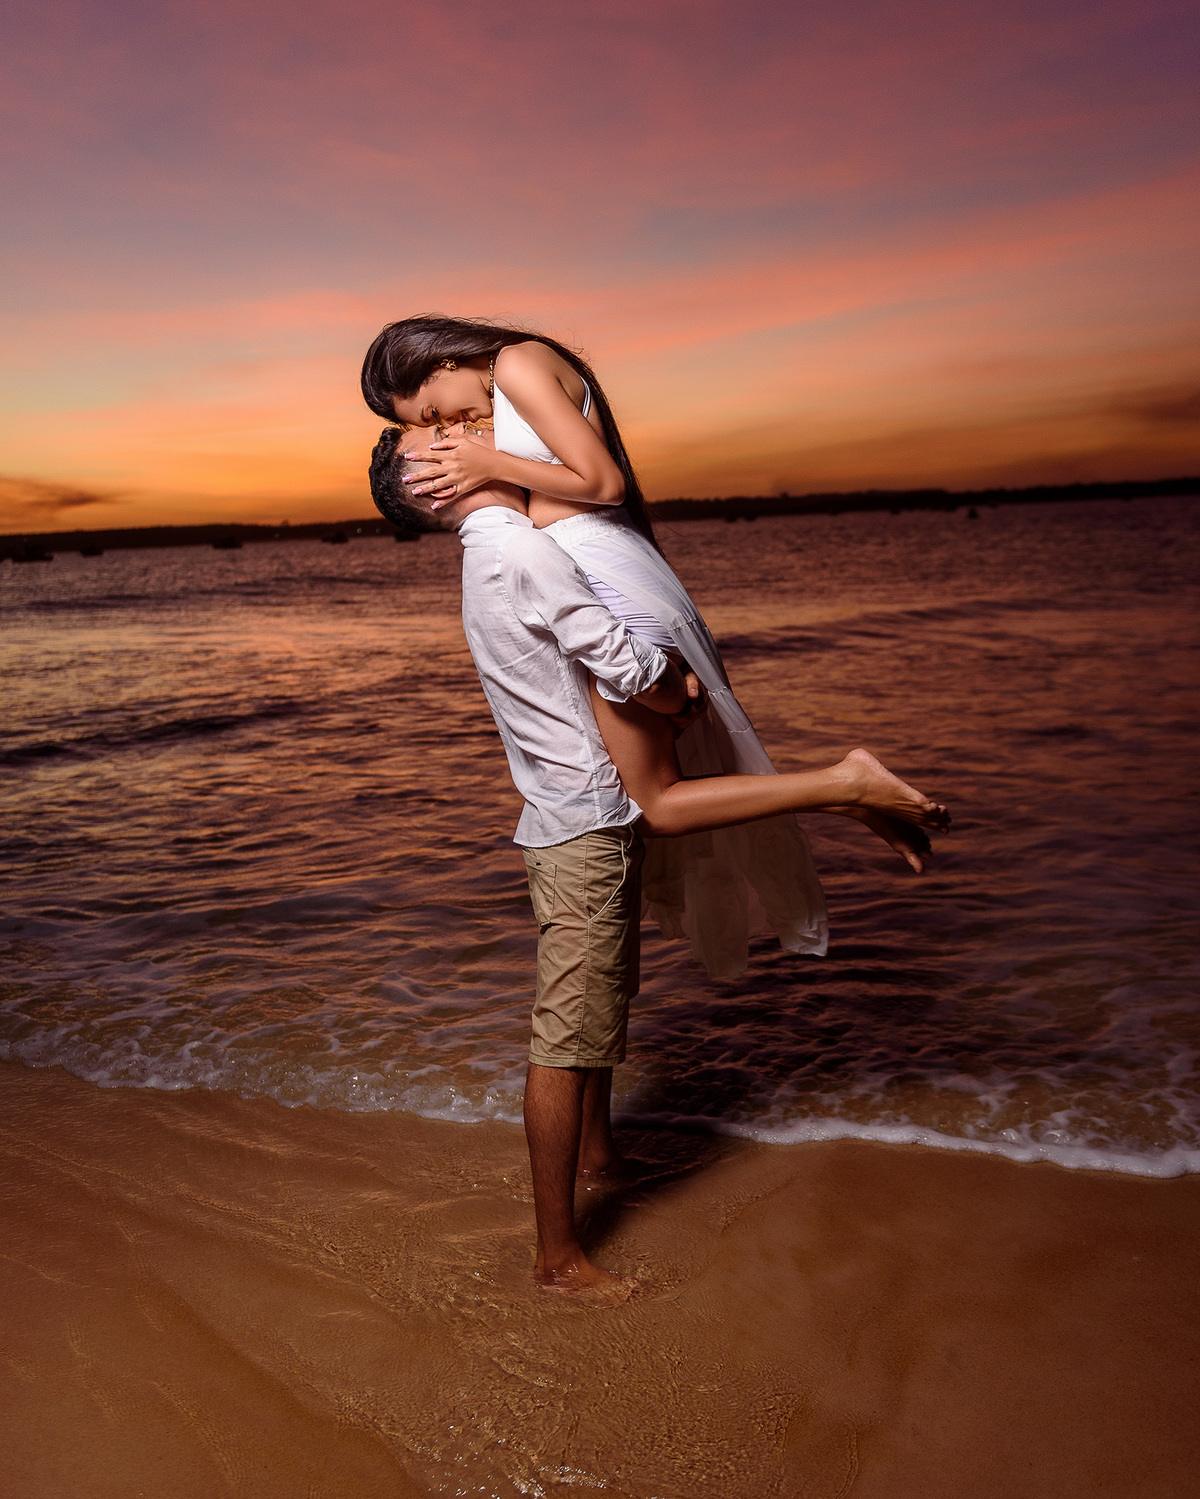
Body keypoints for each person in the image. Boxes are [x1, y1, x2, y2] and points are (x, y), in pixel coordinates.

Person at [361, 318, 947, 977]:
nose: (456, 425)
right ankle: (847, 794)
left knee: (657, 805)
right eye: (437, 425)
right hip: (606, 572)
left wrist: (488, 463)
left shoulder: (520, 362)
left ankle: (848, 783)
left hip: (605, 578)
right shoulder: (514, 390)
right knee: (664, 797)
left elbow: (604, 484)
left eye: (437, 412)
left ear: (438, 360)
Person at [368, 444, 695, 1302]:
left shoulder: (495, 551)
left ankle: (598, 1155)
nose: (466, 436)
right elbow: (618, 660)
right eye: (438, 441)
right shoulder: (519, 547)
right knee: (566, 1036)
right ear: (428, 486)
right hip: (582, 820)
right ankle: (558, 1258)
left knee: (601, 1001)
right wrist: (679, 694)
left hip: (577, 814)